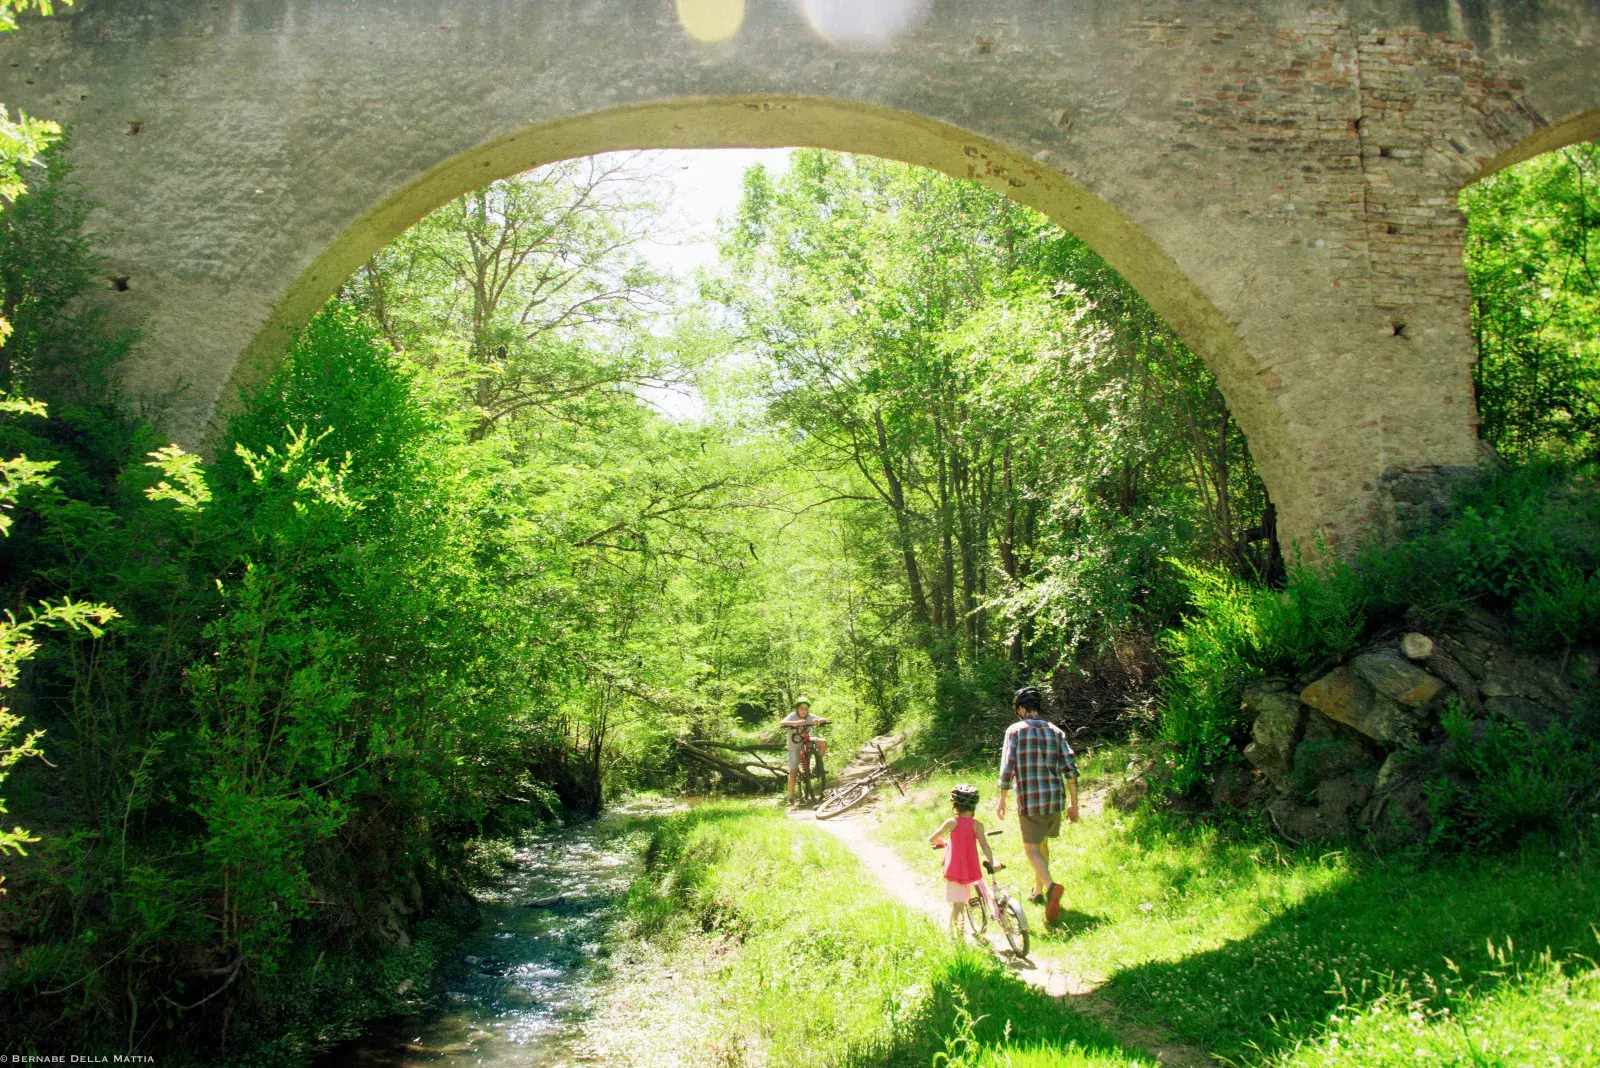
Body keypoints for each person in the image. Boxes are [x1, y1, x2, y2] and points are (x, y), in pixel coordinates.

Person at [995, 686, 1079, 923]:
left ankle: (1052, 887)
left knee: (1031, 848)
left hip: (1030, 801)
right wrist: (1074, 804)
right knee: (1042, 846)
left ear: (1021, 709)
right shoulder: (1056, 731)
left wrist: (1002, 799)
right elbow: (1070, 769)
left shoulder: (1015, 731)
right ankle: (1037, 891)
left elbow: (1007, 767)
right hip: (1055, 800)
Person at [928, 783, 998, 935]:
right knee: (965, 893)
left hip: (955, 869)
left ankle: (955, 936)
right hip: (971, 868)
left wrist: (942, 843)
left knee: (957, 905)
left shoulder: (951, 822)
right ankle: (961, 928)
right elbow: (985, 845)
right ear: (973, 807)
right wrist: (992, 860)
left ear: (955, 806)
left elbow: (932, 839)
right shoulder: (977, 825)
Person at [781, 696, 829, 804]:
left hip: (807, 740)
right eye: (802, 708)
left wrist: (818, 720)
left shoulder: (809, 716)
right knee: (793, 771)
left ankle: (817, 767)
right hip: (794, 745)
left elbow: (824, 719)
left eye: (806, 709)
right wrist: (796, 723)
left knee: (823, 742)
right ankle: (791, 796)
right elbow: (782, 723)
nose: (804, 711)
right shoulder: (793, 715)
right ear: (797, 708)